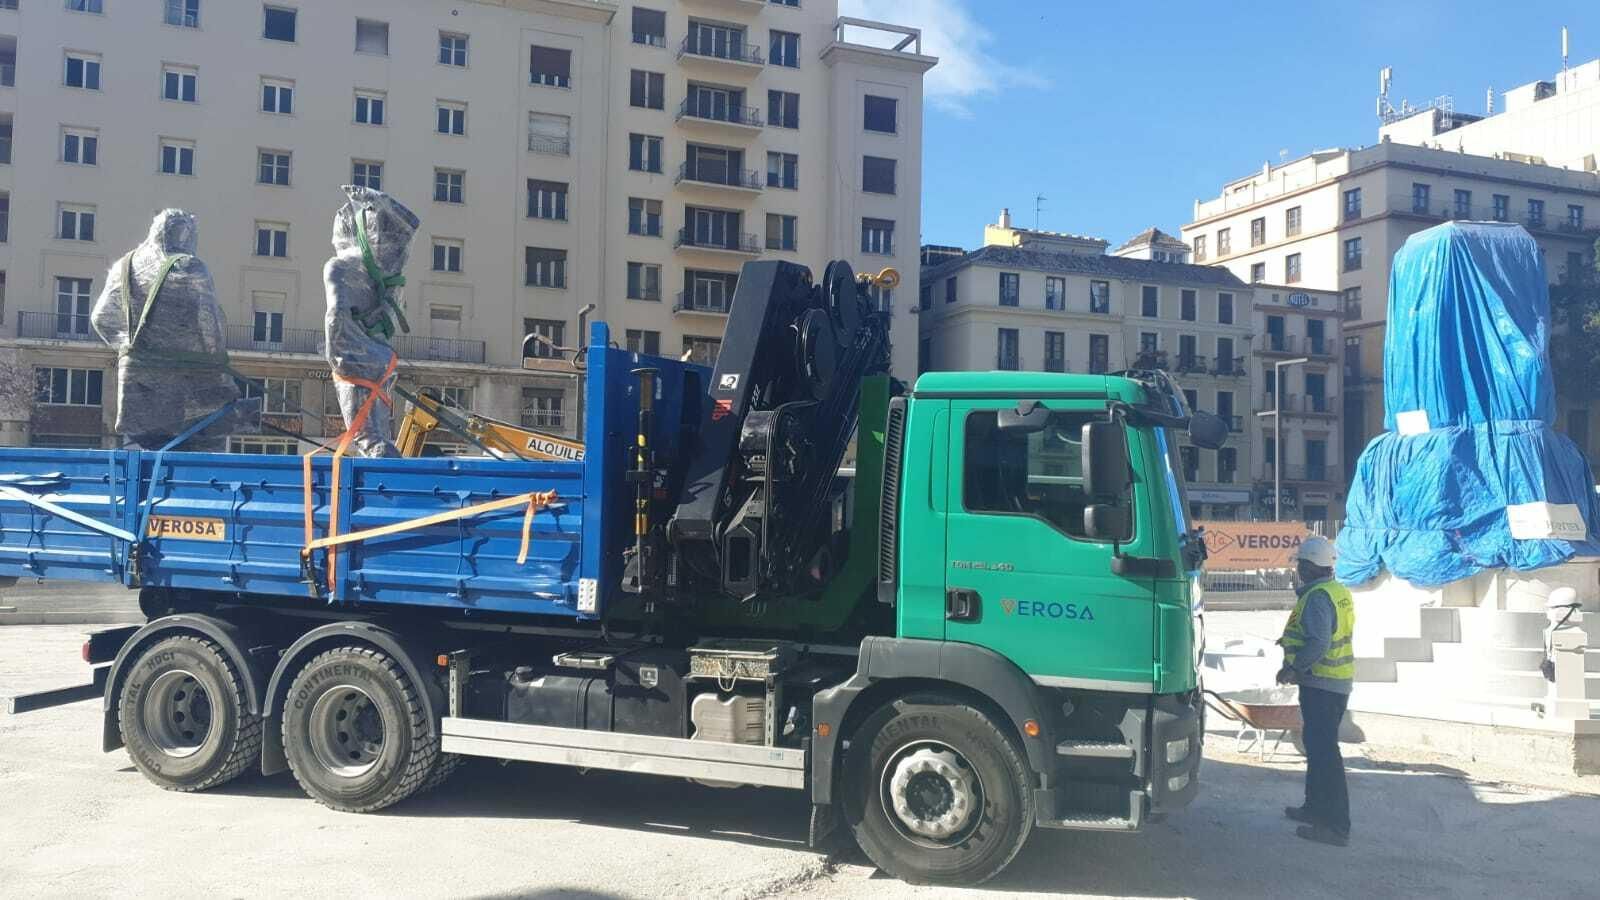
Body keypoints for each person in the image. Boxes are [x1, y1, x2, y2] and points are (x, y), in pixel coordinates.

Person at [1275, 535, 1355, 847]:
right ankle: (1314, 807)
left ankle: (1336, 826)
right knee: (1317, 746)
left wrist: (1295, 668)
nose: (1298, 570)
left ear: (1309, 567)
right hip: (1331, 683)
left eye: (1301, 565)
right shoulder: (1336, 591)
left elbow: (1319, 642)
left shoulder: (1318, 597)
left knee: (1325, 755)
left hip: (1322, 684)